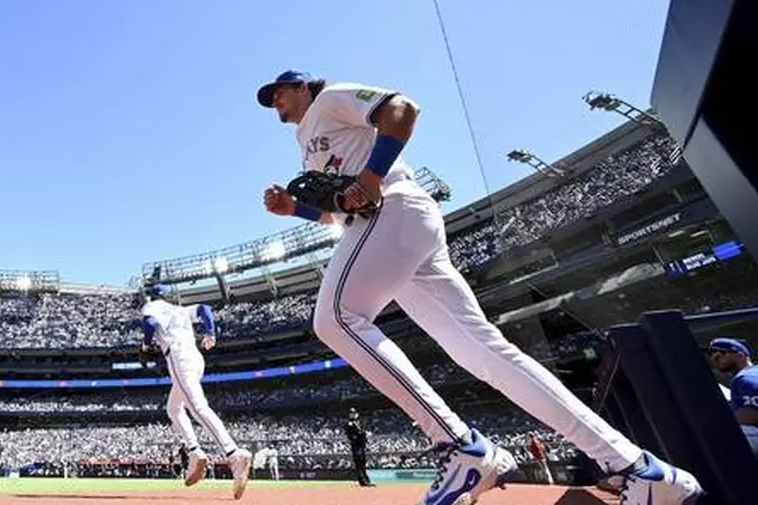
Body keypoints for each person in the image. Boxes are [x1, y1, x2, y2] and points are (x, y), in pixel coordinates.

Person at [256, 70, 704, 505]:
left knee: (336, 319)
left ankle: (460, 446)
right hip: (386, 228)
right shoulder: (308, 143)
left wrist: (371, 177)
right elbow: (340, 214)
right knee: (484, 353)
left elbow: (401, 110)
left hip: (392, 208)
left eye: (278, 93)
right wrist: (295, 210)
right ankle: (639, 469)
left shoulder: (330, 97)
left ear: (301, 86)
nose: (274, 102)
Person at [141, 283, 252, 499]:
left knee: (198, 407)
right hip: (195, 358)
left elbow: (150, 322)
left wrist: (146, 345)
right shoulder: (179, 309)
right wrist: (210, 333)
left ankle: (233, 453)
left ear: (153, 297)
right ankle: (195, 452)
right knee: (173, 408)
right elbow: (205, 310)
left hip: (179, 358)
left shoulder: (152, 306)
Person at [704, 337, 758, 457]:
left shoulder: (745, 378)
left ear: (741, 356)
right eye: (712, 355)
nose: (714, 359)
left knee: (719, 435)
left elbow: (751, 415)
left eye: (720, 354)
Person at [344, 408, 374, 487]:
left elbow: (362, 430)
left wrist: (364, 435)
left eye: (354, 413)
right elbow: (350, 435)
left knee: (363, 462)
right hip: (356, 445)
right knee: (359, 463)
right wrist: (359, 435)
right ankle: (363, 481)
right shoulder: (349, 423)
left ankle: (367, 480)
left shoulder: (359, 422)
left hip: (361, 445)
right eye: (351, 413)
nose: (352, 414)